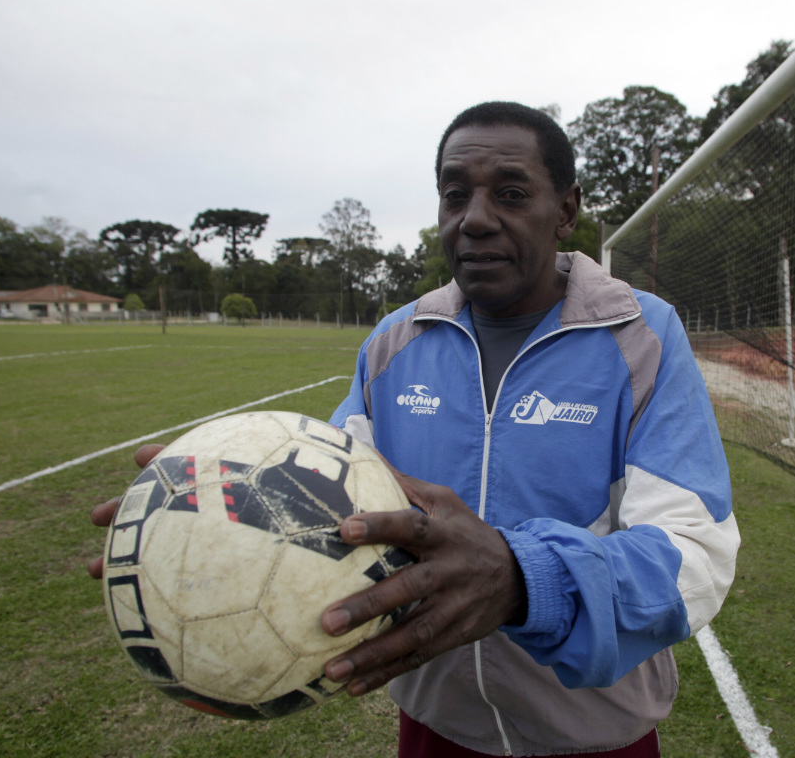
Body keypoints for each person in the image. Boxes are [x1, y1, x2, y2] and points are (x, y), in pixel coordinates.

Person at [91, 101, 739, 757]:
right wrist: (204, 514)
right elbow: (328, 501)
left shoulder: (642, 338)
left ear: (565, 209)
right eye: (455, 195)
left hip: (596, 736)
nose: (475, 219)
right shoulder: (394, 343)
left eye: (511, 194)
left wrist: (525, 581)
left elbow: (695, 555)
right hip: (435, 725)